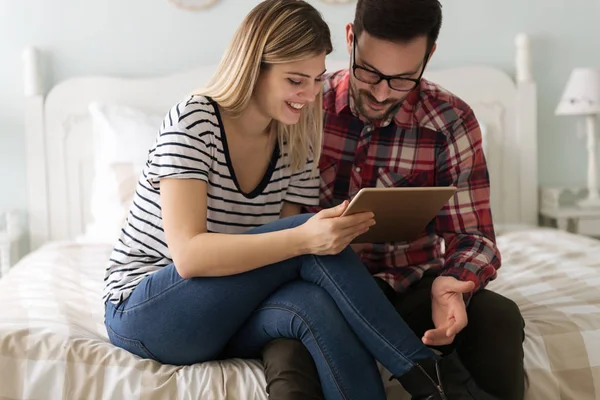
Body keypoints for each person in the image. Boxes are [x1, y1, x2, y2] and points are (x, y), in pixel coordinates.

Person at [102, 1, 491, 399]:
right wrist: (308, 239)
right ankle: (438, 385)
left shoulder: (298, 134)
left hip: (227, 311)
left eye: (318, 79)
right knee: (310, 240)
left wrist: (309, 240)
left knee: (313, 301)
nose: (309, 95)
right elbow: (189, 256)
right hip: (147, 309)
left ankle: (430, 388)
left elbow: (283, 258)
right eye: (295, 80)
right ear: (255, 67)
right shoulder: (195, 120)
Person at [260, 1, 527, 400]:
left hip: (411, 288)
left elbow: (474, 236)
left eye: (403, 79)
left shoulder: (449, 121)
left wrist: (453, 284)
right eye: (369, 72)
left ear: (428, 56)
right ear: (350, 39)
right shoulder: (302, 105)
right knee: (290, 354)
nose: (382, 92)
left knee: (499, 318)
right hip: (317, 297)